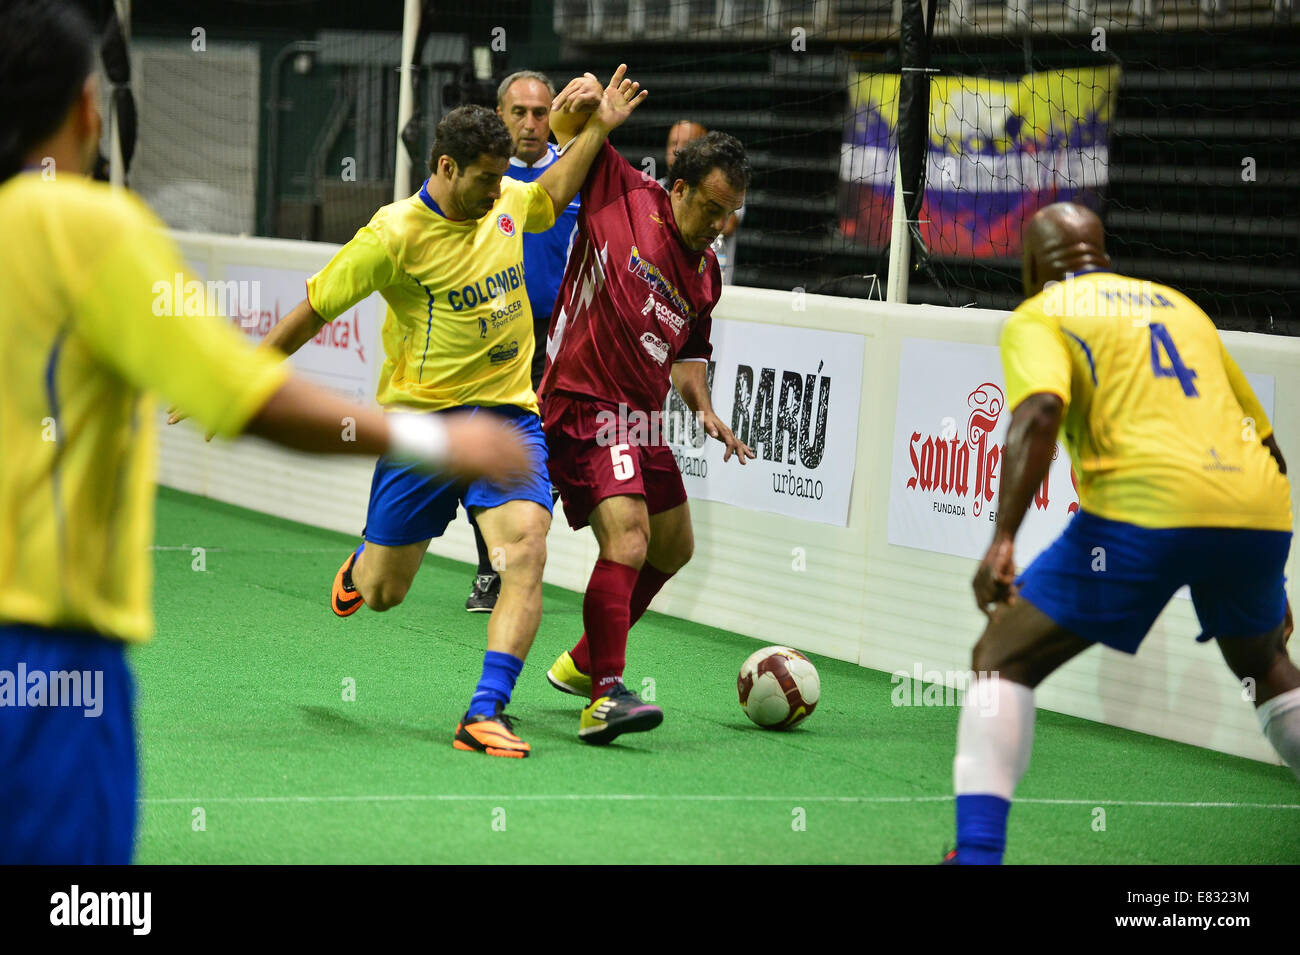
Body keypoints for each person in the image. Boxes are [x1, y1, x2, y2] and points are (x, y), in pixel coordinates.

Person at [0, 0, 529, 864]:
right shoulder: (87, 227)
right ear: (87, 108)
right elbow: (251, 396)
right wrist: (439, 442)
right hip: (44, 648)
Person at [209, 69, 646, 761]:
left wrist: (595, 131)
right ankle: (362, 568)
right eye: (482, 179)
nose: (496, 191)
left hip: (506, 415)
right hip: (423, 429)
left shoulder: (505, 200)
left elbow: (553, 191)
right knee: (384, 591)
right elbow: (313, 310)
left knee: (526, 548)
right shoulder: (392, 236)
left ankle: (484, 710)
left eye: (503, 178)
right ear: (445, 166)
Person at [948, 201, 1298, 864]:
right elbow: (1269, 445)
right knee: (1263, 663)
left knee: (1001, 655)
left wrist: (1002, 539)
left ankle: (977, 855)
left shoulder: (1040, 315)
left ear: (1030, 264)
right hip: (1257, 506)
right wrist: (1267, 572)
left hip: (1146, 505)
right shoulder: (1180, 308)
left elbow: (1040, 413)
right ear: (1101, 254)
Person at [538, 116, 756, 744]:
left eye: (732, 214)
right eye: (713, 208)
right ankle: (605, 695)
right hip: (582, 401)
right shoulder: (624, 192)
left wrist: (705, 408)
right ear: (679, 188)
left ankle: (582, 660)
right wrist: (584, 102)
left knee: (674, 546)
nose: (720, 226)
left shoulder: (706, 275)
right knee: (629, 540)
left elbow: (688, 357)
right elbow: (571, 126)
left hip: (639, 416)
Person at [459, 69, 582, 614]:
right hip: (487, 342)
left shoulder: (576, 174)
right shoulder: (475, 179)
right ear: (498, 115)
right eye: (519, 113)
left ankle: (509, 559)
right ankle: (491, 565)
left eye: (540, 113)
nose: (531, 125)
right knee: (487, 454)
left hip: (559, 342)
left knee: (545, 451)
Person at [658, 120, 744, 285]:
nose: (678, 150)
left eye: (687, 143)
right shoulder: (654, 188)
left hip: (715, 290)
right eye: (673, 144)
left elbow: (729, 225)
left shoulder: (724, 189)